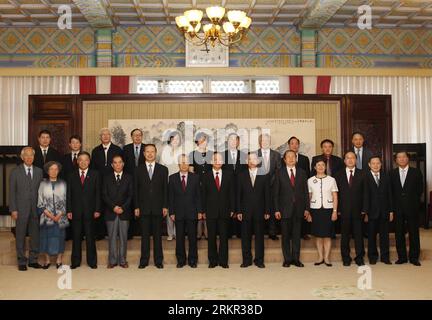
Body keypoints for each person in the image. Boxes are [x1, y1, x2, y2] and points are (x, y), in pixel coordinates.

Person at [9, 147, 44, 271]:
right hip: (20, 209)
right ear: (22, 157)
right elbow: (12, 192)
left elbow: (42, 191)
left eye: (31, 156)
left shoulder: (39, 171)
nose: (29, 158)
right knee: (20, 235)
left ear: (34, 157)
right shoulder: (15, 172)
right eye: (27, 155)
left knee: (35, 235)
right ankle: (21, 261)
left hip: (36, 209)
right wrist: (13, 209)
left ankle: (33, 260)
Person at [134, 144, 168, 269]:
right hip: (143, 208)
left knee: (158, 237)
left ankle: (158, 261)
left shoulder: (163, 169)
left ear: (155, 153)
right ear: (143, 154)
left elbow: (165, 189)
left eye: (152, 151)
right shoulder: (138, 169)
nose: (149, 154)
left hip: (158, 208)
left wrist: (165, 206)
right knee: (145, 236)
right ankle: (144, 260)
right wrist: (136, 207)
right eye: (147, 152)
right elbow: (135, 190)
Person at [273, 150, 310, 268]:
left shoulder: (302, 172)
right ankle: (287, 259)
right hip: (284, 209)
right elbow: (276, 193)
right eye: (288, 157)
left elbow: (305, 192)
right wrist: (277, 209)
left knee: (296, 236)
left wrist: (307, 208)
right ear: (284, 160)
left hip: (299, 209)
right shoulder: (279, 172)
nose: (291, 158)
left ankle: (296, 259)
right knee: (285, 236)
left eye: (293, 156)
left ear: (296, 159)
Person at [67, 151, 101, 269]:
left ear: (89, 161)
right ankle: (75, 262)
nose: (83, 162)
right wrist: (69, 210)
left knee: (90, 237)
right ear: (77, 161)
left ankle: (92, 262)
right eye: (80, 160)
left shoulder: (95, 174)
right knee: (76, 238)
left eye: (86, 160)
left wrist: (97, 209)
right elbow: (69, 194)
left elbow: (98, 193)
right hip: (75, 212)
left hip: (90, 211)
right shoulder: (71, 175)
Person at [334, 152, 368, 266]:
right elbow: (335, 194)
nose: (350, 160)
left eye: (352, 158)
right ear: (344, 160)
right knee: (345, 235)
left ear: (356, 160)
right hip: (343, 210)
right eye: (347, 158)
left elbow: (366, 194)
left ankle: (359, 257)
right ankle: (346, 258)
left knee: (359, 235)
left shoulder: (363, 174)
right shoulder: (338, 175)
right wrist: (337, 209)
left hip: (358, 210)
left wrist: (364, 209)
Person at [202, 152, 235, 268]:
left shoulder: (229, 175)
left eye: (219, 159)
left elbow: (232, 193)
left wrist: (232, 208)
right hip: (210, 211)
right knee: (211, 237)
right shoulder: (206, 176)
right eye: (215, 159)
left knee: (224, 237)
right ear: (211, 161)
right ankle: (213, 261)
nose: (217, 161)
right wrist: (203, 211)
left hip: (225, 210)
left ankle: (223, 261)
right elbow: (203, 195)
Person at [237, 152, 270, 268]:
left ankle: (259, 260)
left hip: (260, 211)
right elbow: (238, 195)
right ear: (247, 162)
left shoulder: (264, 175)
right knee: (245, 237)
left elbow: (267, 195)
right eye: (250, 159)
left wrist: (267, 211)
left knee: (259, 237)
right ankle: (246, 260)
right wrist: (239, 211)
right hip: (245, 211)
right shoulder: (241, 176)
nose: (252, 161)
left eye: (255, 159)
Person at [168, 154, 202, 268]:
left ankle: (193, 260)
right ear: (178, 164)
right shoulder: (172, 178)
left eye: (186, 162)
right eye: (181, 162)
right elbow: (170, 197)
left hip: (192, 212)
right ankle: (181, 260)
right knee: (179, 238)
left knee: (193, 238)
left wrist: (199, 211)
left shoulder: (195, 177)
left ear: (189, 164)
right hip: (178, 213)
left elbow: (198, 196)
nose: (184, 165)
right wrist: (171, 212)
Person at [390, 151, 423, 266]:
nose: (402, 159)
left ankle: (414, 257)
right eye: (399, 157)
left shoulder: (416, 172)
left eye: (404, 157)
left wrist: (413, 202)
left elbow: (420, 190)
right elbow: (391, 192)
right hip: (397, 208)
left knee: (414, 232)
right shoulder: (392, 173)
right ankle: (402, 257)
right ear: (396, 160)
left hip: (412, 207)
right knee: (399, 233)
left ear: (408, 158)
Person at [91, 128, 123, 240]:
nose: (105, 136)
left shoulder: (117, 149)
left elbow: (121, 166)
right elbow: (93, 168)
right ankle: (100, 233)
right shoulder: (95, 151)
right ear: (100, 137)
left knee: (113, 205)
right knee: (100, 206)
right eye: (103, 135)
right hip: (99, 182)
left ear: (110, 136)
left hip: (114, 183)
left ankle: (115, 233)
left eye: (107, 134)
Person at [102, 155, 133, 269]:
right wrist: (114, 207)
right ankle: (112, 260)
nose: (118, 165)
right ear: (112, 165)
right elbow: (104, 195)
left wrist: (122, 208)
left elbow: (130, 195)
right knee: (112, 238)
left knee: (124, 238)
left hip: (124, 212)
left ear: (123, 164)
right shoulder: (106, 178)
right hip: (111, 212)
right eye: (115, 163)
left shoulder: (129, 177)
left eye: (120, 162)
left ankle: (123, 260)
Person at [307, 159, 338, 267]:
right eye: (318, 165)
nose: (320, 167)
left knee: (327, 235)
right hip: (315, 210)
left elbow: (335, 196)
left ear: (326, 167)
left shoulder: (331, 180)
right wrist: (308, 213)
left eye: (322, 165)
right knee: (318, 236)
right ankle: (320, 257)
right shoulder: (310, 180)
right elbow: (308, 197)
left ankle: (327, 258)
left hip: (328, 210)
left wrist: (334, 211)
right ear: (315, 167)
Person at [37, 161, 68, 269]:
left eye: (56, 169)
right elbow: (40, 202)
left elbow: (66, 200)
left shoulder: (63, 183)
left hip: (60, 217)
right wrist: (50, 216)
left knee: (60, 237)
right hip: (46, 217)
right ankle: (47, 260)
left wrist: (58, 215)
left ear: (58, 171)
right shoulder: (42, 184)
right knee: (45, 237)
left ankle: (59, 260)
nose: (53, 171)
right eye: (51, 169)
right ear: (47, 171)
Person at [365, 156, 393, 265]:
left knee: (384, 236)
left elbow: (390, 194)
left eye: (378, 163)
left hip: (384, 211)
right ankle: (372, 257)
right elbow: (364, 196)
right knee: (371, 236)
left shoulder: (386, 176)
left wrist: (391, 211)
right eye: (373, 163)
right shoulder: (365, 176)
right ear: (369, 165)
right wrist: (365, 212)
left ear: (381, 165)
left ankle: (385, 257)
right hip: (371, 212)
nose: (376, 165)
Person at [222, 132, 247, 239]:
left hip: (241, 186)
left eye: (235, 140)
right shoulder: (222, 155)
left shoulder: (244, 155)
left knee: (240, 208)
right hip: (226, 187)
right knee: (228, 208)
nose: (233, 142)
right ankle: (228, 232)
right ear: (228, 142)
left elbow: (247, 171)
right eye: (230, 140)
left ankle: (239, 232)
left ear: (238, 142)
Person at [123, 128, 146, 240]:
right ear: (131, 137)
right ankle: (130, 232)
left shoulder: (146, 148)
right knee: (130, 205)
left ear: (142, 136)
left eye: (139, 135)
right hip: (129, 181)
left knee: (142, 205)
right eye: (135, 135)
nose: (137, 137)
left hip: (144, 181)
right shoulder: (126, 149)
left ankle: (142, 231)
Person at [257, 133, 281, 241]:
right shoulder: (254, 154)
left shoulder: (276, 154)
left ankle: (272, 232)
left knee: (272, 209)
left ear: (269, 142)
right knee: (260, 208)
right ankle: (260, 232)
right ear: (259, 142)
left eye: (267, 140)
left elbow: (278, 170)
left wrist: (271, 182)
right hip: (258, 186)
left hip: (273, 186)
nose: (265, 142)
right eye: (263, 140)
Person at [189, 132, 213, 240]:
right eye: (201, 140)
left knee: (208, 207)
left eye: (205, 140)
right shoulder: (192, 154)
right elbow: (191, 170)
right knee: (197, 207)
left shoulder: (212, 154)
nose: (203, 142)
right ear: (197, 142)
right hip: (197, 184)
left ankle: (208, 232)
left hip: (210, 185)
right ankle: (198, 233)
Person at [161, 130, 184, 241]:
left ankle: (177, 232)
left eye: (177, 139)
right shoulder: (165, 150)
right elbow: (161, 168)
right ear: (170, 139)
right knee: (170, 207)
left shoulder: (183, 151)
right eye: (173, 138)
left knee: (179, 207)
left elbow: (186, 166)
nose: (175, 140)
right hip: (167, 182)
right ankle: (170, 233)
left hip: (180, 182)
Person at [61, 134, 82, 241]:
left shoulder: (84, 157)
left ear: (80, 144)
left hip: (82, 191)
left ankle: (80, 235)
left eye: (77, 142)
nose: (75, 144)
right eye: (73, 142)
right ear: (69, 144)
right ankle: (69, 235)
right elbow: (62, 174)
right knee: (69, 212)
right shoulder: (64, 158)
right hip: (67, 190)